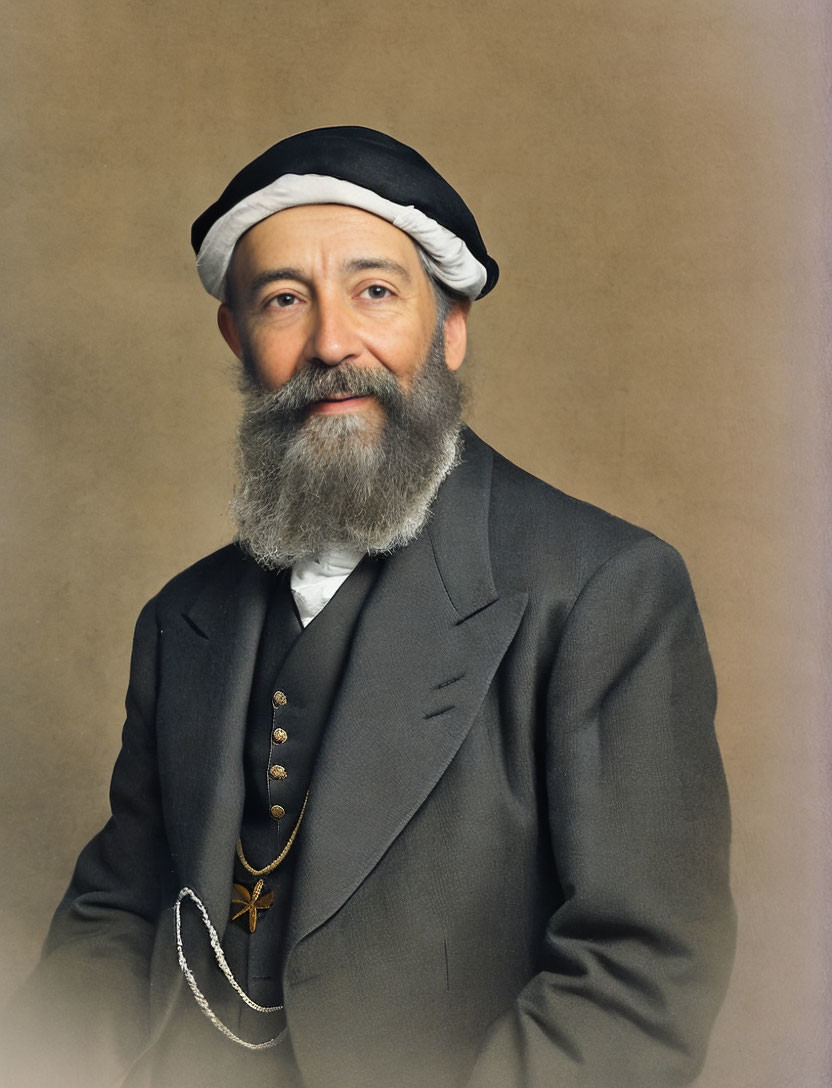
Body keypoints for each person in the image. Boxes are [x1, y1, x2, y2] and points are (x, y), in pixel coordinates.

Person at [5, 126, 735, 1088]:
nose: (331, 342)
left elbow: (639, 981)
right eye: (282, 301)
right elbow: (114, 915)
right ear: (237, 339)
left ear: (450, 327)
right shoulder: (177, 619)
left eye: (375, 292)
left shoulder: (607, 591)